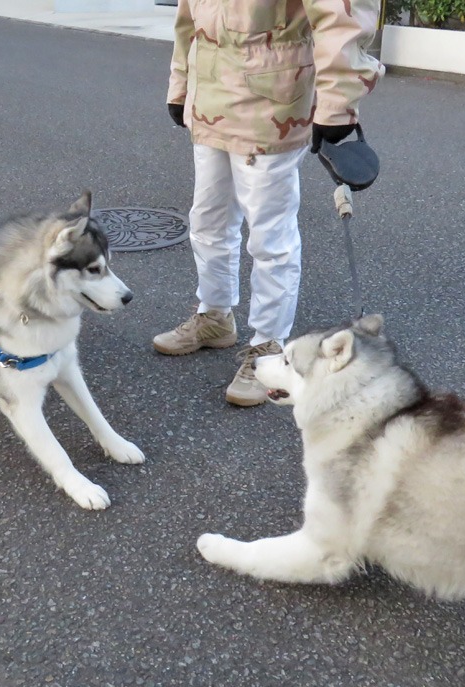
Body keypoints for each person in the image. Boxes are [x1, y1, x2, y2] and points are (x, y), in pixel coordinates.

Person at [153, 0, 384, 406]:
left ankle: (270, 346)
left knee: (269, 236)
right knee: (206, 221)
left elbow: (342, 16)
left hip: (271, 103)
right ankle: (215, 315)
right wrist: (180, 82)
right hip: (208, 99)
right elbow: (187, 16)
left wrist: (337, 106)